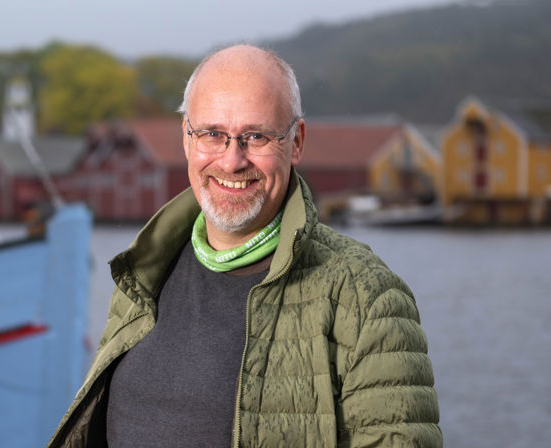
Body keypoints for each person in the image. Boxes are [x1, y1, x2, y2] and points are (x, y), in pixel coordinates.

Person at [48, 44, 442, 447]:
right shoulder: (141, 275)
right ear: (186, 139)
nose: (232, 160)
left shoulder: (366, 297)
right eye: (212, 134)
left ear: (297, 141)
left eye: (256, 136)